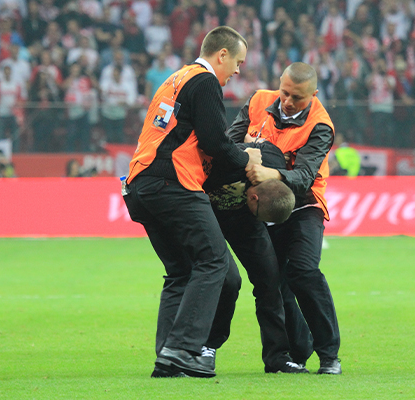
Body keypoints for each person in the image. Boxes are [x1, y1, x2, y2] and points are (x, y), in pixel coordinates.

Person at [122, 26, 262, 379]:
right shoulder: (205, 81)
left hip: (141, 185)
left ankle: (168, 357)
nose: (238, 72)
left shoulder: (176, 78)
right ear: (222, 55)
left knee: (184, 272)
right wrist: (248, 160)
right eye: (238, 62)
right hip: (174, 184)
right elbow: (216, 141)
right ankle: (184, 349)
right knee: (214, 262)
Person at [226, 62, 342, 375]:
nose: (288, 101)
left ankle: (329, 355)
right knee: (274, 283)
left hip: (304, 205)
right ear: (280, 83)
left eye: (298, 97)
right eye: (285, 92)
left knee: (303, 271)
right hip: (263, 205)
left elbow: (305, 176)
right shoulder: (257, 101)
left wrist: (270, 172)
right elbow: (229, 142)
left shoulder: (320, 125)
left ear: (314, 95)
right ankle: (297, 351)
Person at [202, 140, 309, 374]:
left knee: (271, 281)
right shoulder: (230, 163)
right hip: (205, 216)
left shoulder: (271, 165)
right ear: (254, 198)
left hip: (244, 221)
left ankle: (277, 356)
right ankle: (207, 346)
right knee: (228, 280)